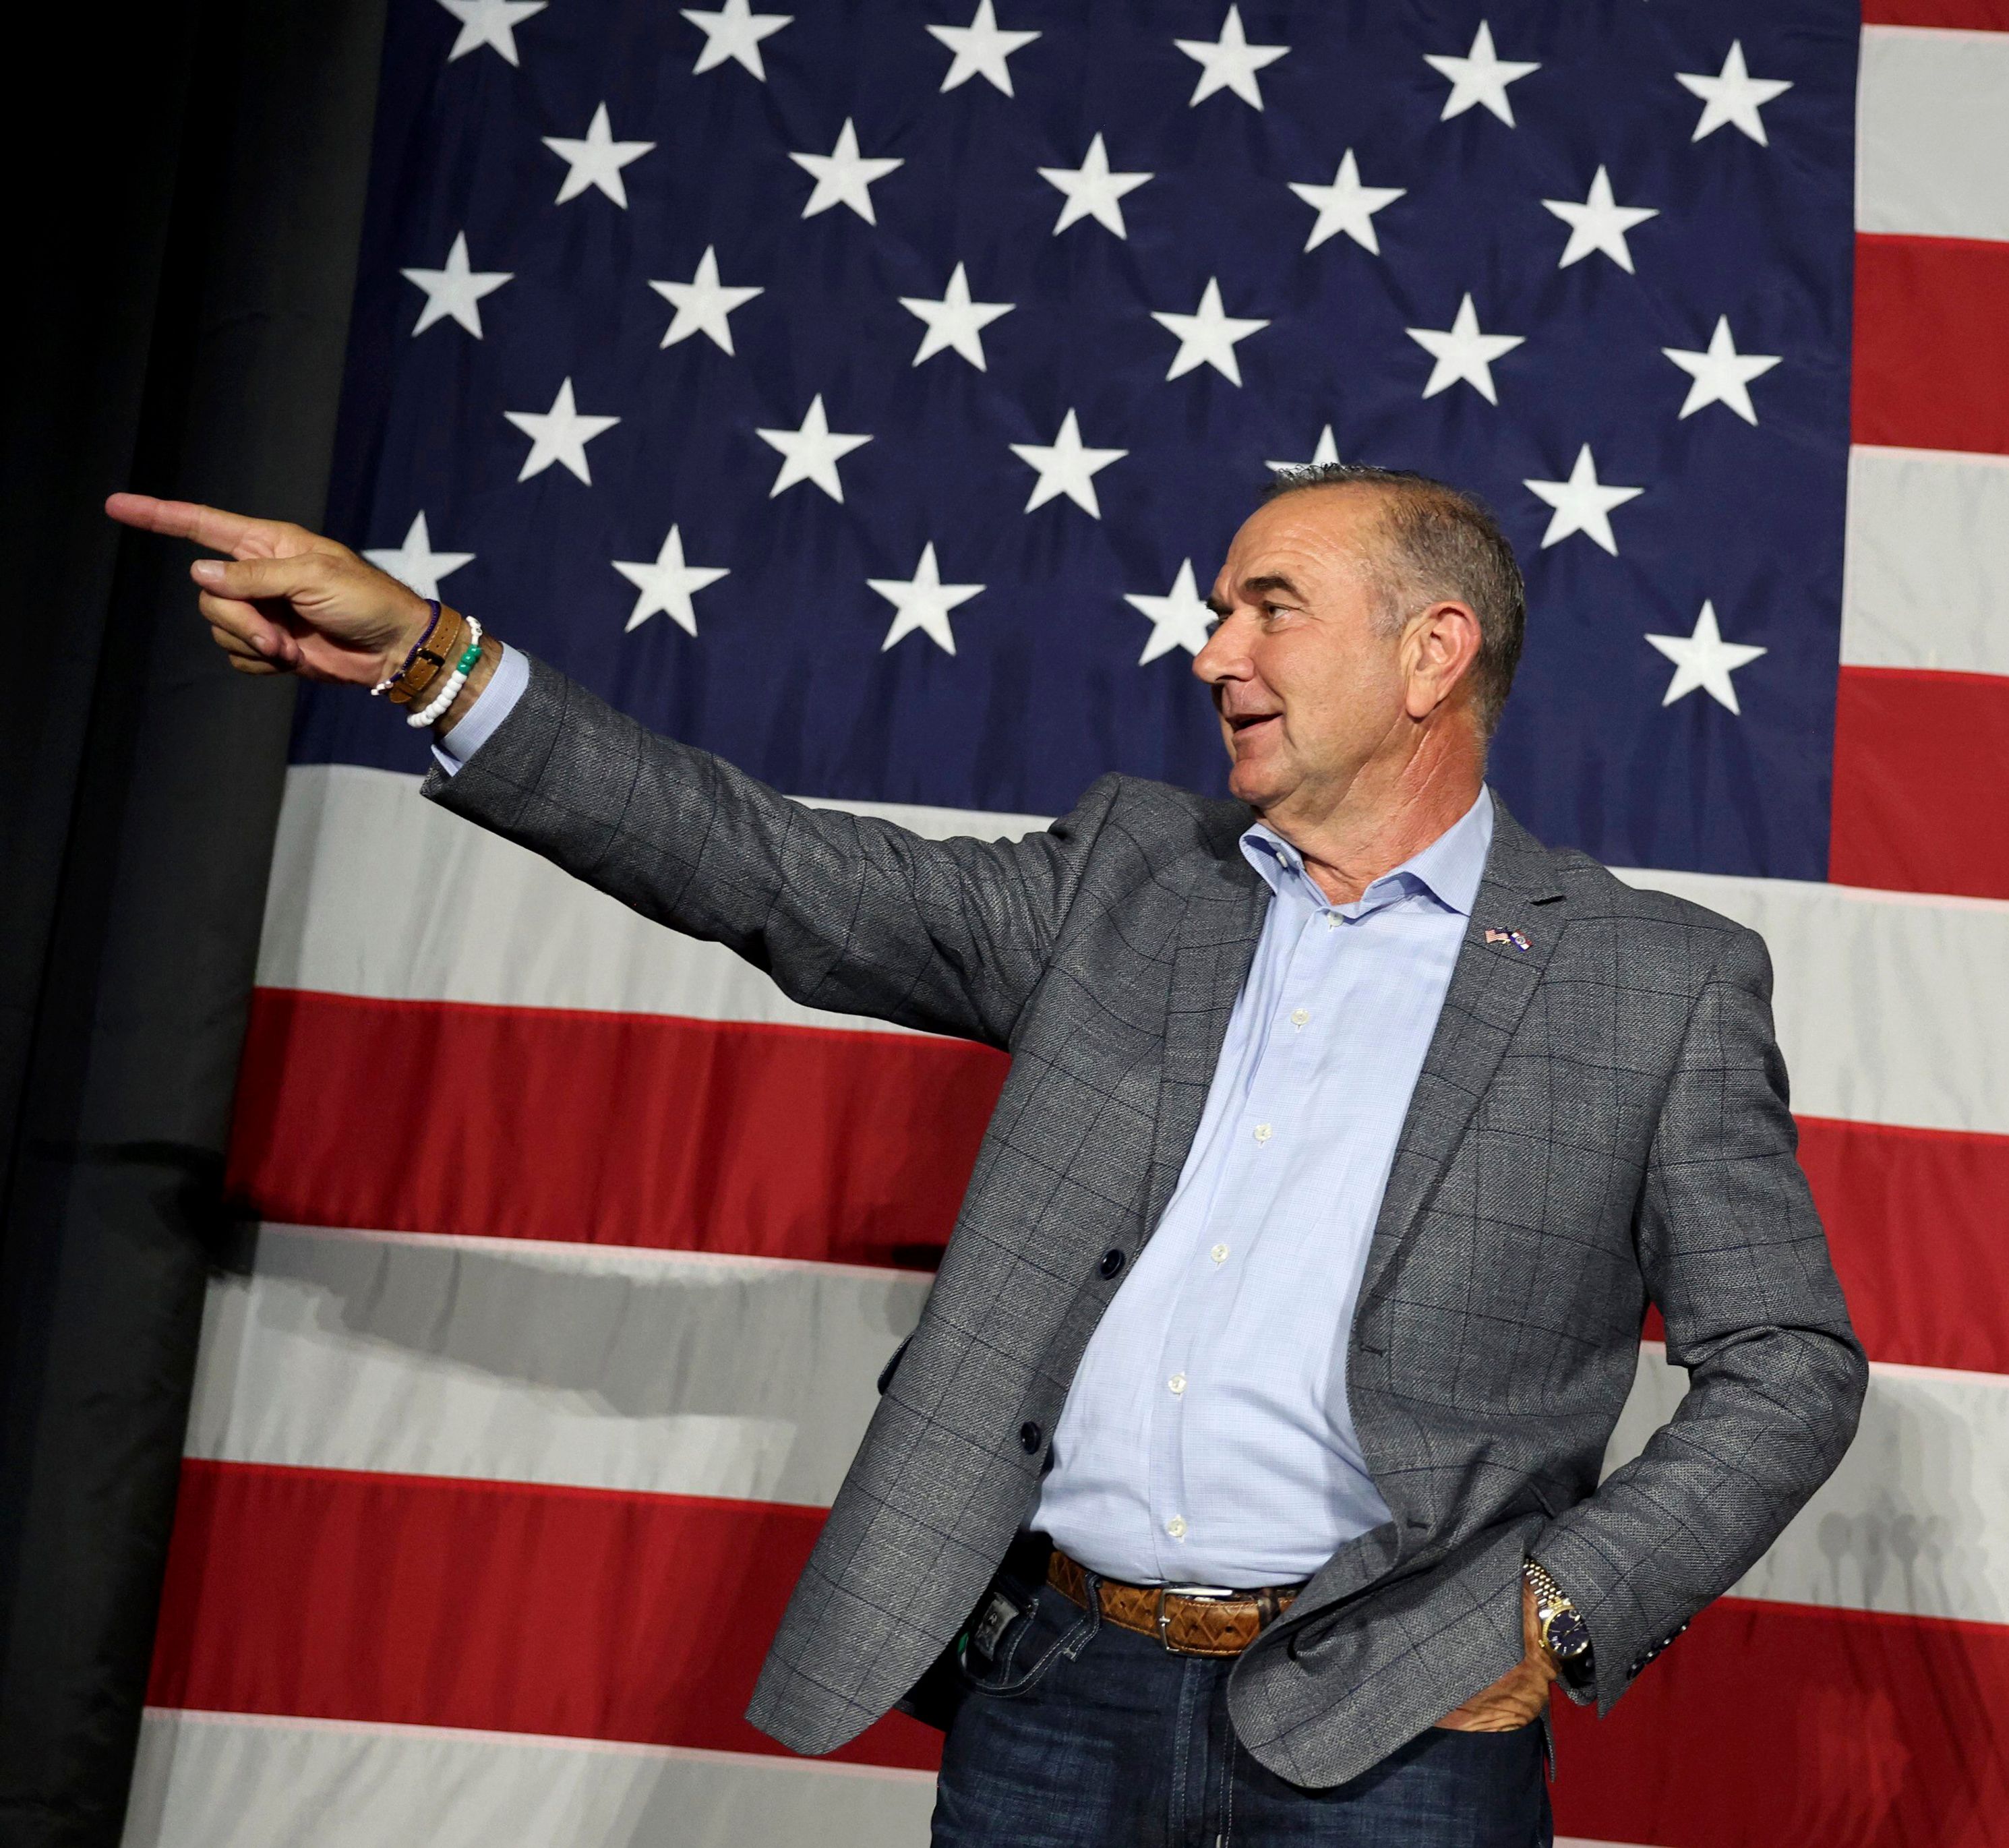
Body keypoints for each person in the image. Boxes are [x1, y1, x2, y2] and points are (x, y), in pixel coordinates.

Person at [108, 468, 1865, 1845]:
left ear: (1432, 652)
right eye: (1217, 609)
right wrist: (434, 656)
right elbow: (770, 870)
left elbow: (1785, 1366)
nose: (1213, 653)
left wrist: (1556, 1613)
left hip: (1397, 1724)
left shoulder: (1656, 982)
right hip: (1060, 1693)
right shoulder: (1122, 882)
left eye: (1272, 608)